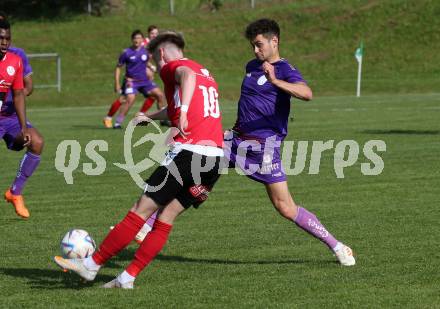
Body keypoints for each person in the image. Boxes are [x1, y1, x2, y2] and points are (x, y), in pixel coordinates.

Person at [54, 32, 224, 288]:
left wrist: (185, 113)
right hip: (214, 161)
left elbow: (184, 83)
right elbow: (176, 106)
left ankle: (91, 265)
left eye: (155, 59)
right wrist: (151, 117)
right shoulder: (204, 73)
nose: (155, 66)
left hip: (189, 153)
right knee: (166, 218)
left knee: (139, 211)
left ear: (163, 54)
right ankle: (127, 277)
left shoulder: (174, 68)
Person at [224, 18, 355, 266]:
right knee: (195, 160)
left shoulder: (284, 69)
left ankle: (338, 247)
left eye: (259, 44)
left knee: (285, 207)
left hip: (263, 148)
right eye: (252, 45)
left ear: (275, 41)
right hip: (238, 139)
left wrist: (276, 82)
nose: (255, 50)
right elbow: (251, 104)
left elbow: (307, 93)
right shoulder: (251, 65)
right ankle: (148, 223)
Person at [0, 18, 43, 219]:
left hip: (9, 118)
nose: (4, 42)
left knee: (36, 141)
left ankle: (15, 192)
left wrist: (24, 126)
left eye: (7, 38)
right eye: (1, 38)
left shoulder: (15, 60)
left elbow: (20, 93)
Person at [103, 27, 165, 128]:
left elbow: (145, 62)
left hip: (145, 81)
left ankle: (162, 120)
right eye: (135, 38)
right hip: (132, 82)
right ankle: (117, 122)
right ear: (132, 40)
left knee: (159, 94)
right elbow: (118, 68)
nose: (137, 40)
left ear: (142, 40)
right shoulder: (126, 52)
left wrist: (152, 69)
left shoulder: (146, 51)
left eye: (139, 38)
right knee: (129, 99)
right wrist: (117, 83)